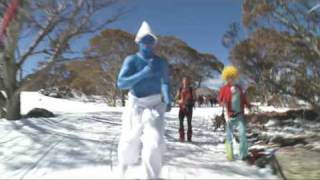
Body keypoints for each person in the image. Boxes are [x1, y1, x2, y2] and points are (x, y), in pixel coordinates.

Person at [116, 21, 171, 179]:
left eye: (150, 40)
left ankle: (152, 176)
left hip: (155, 105)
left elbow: (165, 82)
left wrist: (167, 97)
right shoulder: (131, 60)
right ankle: (123, 167)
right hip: (136, 105)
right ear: (138, 42)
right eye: (144, 40)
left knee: (154, 142)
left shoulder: (161, 62)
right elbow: (121, 83)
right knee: (128, 142)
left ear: (154, 42)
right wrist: (143, 74)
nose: (148, 43)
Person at [218, 66, 251, 161]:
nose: (231, 79)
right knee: (228, 136)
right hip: (230, 116)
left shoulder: (239, 88)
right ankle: (230, 155)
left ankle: (243, 155)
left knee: (243, 133)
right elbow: (219, 101)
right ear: (226, 78)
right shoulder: (224, 89)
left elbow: (244, 99)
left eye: (232, 77)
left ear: (235, 77)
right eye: (229, 77)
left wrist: (248, 105)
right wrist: (222, 103)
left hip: (240, 115)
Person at [176, 76, 195, 142]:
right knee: (181, 122)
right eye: (184, 80)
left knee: (189, 123)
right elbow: (176, 99)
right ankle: (182, 137)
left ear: (189, 81)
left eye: (187, 80)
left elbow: (194, 98)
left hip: (189, 108)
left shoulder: (191, 89)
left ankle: (189, 138)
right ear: (182, 81)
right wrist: (179, 101)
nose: (185, 82)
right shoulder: (180, 89)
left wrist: (189, 101)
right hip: (181, 108)